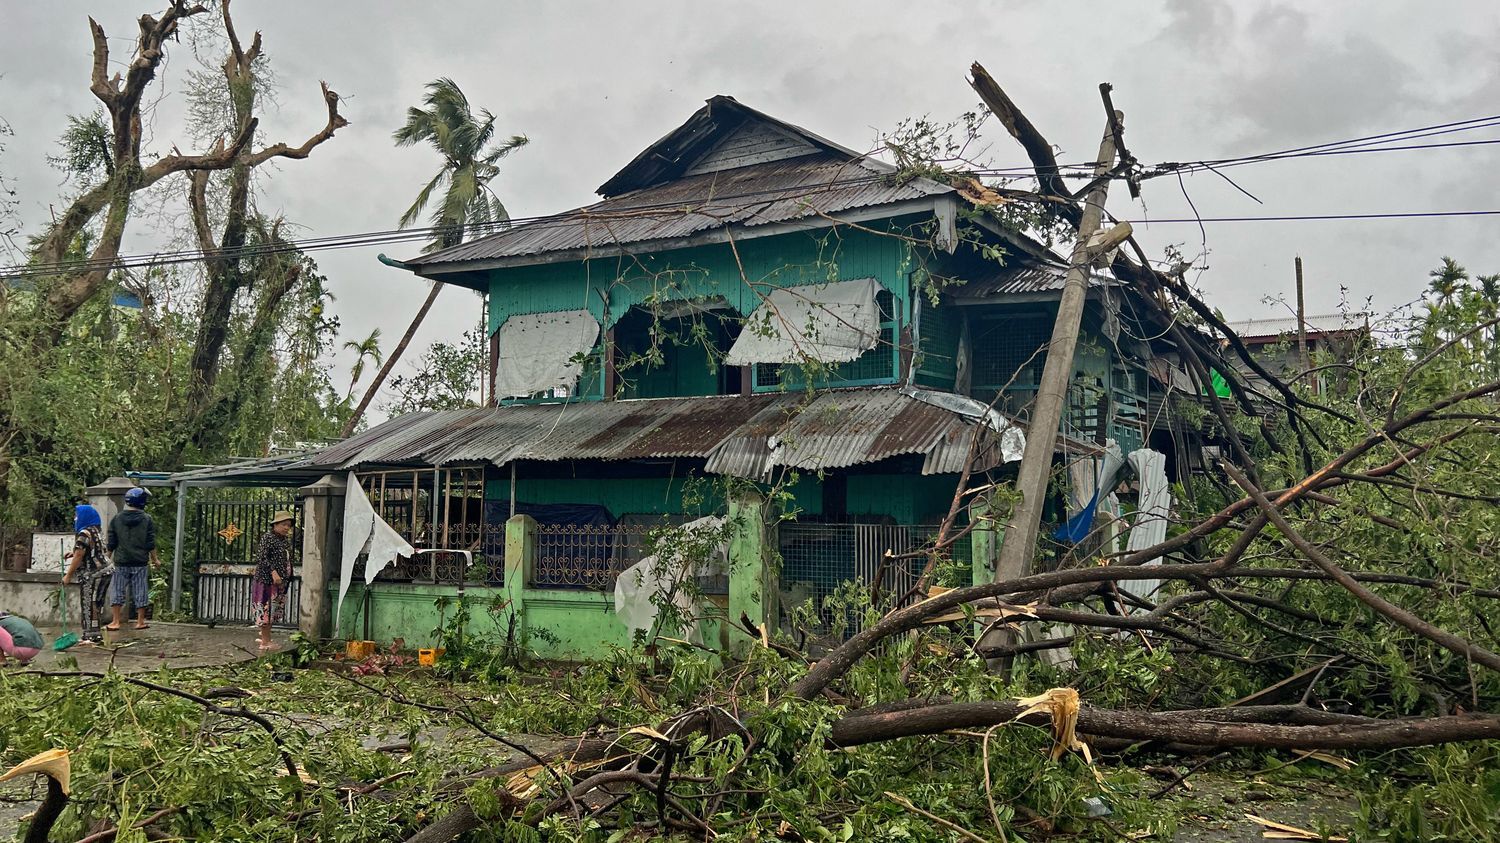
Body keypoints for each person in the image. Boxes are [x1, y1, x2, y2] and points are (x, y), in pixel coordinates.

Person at [106, 486, 159, 631]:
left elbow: (111, 542)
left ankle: (115, 621)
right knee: (141, 590)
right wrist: (155, 559)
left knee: (117, 589)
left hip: (121, 561)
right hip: (140, 561)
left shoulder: (117, 518)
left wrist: (106, 559)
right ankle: (140, 621)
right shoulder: (147, 519)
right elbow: (150, 542)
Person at [62, 502, 112, 643]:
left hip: (93, 573)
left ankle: (91, 635)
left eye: (77, 516)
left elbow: (79, 555)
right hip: (106, 570)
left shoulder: (84, 533)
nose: (75, 519)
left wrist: (68, 575)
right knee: (97, 603)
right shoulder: (96, 530)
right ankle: (95, 633)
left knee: (89, 602)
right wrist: (73, 554)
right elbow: (92, 550)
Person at [251, 511, 295, 651]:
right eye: (284, 524)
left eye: (288, 525)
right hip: (267, 581)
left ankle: (266, 637)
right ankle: (265, 642)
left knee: (273, 610)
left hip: (279, 583)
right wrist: (274, 572)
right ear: (275, 524)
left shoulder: (283, 541)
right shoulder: (268, 538)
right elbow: (262, 557)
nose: (287, 528)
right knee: (266, 609)